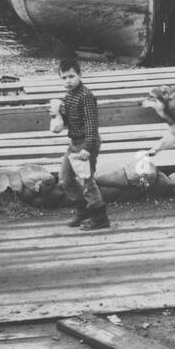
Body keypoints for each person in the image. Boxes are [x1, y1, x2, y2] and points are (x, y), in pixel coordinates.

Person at [49, 57, 110, 231]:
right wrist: (58, 114)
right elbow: (70, 121)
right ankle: (82, 210)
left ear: (80, 75)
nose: (68, 81)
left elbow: (92, 125)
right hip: (74, 142)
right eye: (64, 78)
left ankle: (100, 217)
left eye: (71, 76)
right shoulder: (69, 96)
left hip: (86, 143)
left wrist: (88, 148)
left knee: (87, 181)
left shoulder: (86, 96)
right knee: (65, 177)